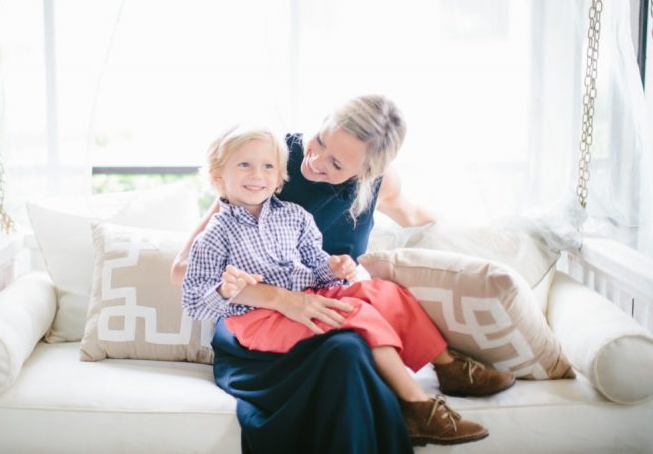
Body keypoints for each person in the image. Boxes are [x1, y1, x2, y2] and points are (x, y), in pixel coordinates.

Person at [170, 95, 502, 453]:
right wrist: (280, 298)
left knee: (384, 296)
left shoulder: (350, 192)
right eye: (320, 141)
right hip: (254, 319)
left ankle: (449, 369)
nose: (314, 160)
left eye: (336, 163)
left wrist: (484, 240)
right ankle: (415, 406)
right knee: (349, 342)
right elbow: (184, 272)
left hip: (320, 299)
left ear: (367, 174)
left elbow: (412, 215)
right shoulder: (267, 163)